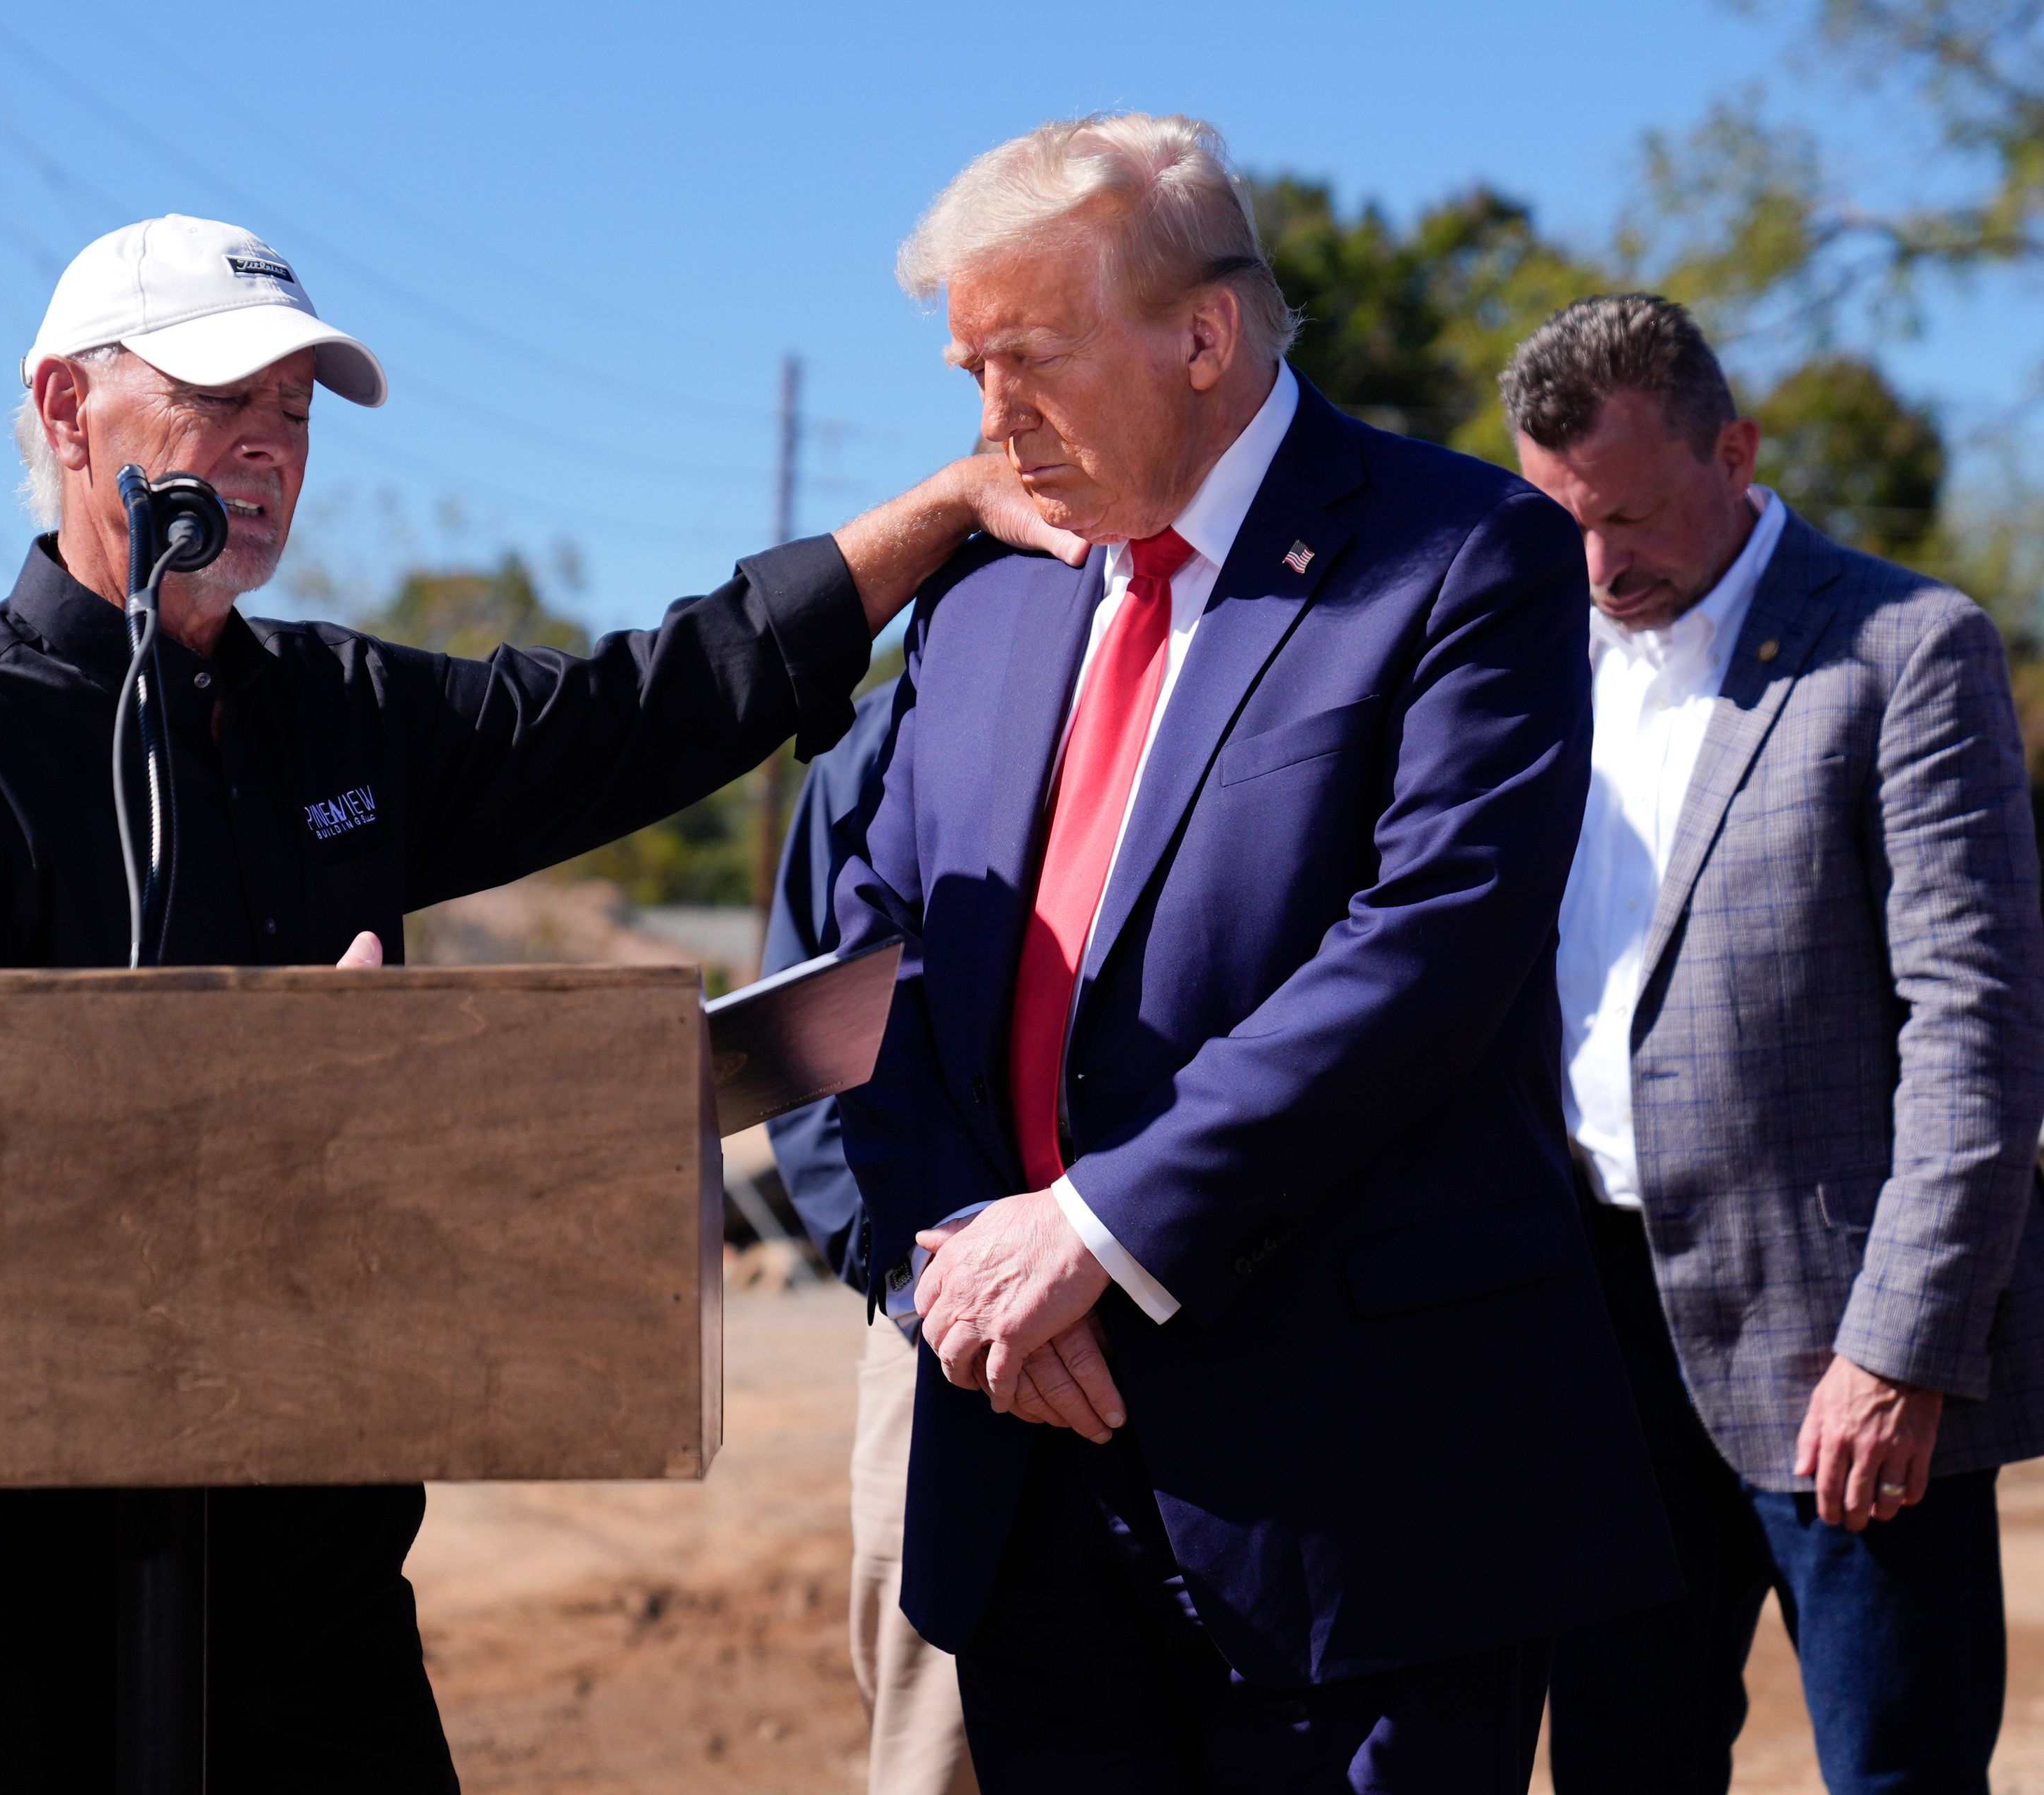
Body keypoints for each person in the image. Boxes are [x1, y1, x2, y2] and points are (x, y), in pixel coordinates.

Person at [0, 212, 1079, 1793]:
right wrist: (252, 1105)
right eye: (215, 400)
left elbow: (645, 704)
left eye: (295, 416)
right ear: (65, 408)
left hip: (311, 1580)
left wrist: (946, 510)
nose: (264, 451)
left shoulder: (338, 711)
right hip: (21, 1614)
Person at [830, 114, 1679, 1791]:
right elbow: (880, 947)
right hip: (1029, 1466)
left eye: (1029, 361)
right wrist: (964, 1258)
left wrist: (1094, 1226)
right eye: (967, 369)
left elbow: (1429, 947)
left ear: (1202, 337)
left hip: (1358, 1501)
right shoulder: (987, 591)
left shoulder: (1462, 553)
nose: (990, 423)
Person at [1502, 293, 2044, 1790]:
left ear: (1734, 449)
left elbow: (1976, 1026)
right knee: (1621, 1763)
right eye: (1563, 527)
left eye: (1629, 513)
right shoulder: (1530, 662)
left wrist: (1899, 1345)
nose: (1599, 565)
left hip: (1841, 1343)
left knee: (1898, 1770)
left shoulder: (1905, 649)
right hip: (1595, 1334)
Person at [764, 675, 979, 1795]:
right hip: (940, 1335)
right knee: (935, 1738)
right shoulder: (901, 724)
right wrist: (904, 1266)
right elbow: (799, 1027)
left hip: (1183, 1302)